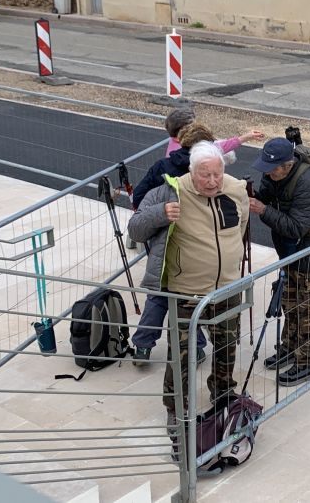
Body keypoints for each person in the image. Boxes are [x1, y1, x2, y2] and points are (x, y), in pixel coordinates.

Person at [127, 141, 249, 427]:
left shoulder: (235, 188)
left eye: (217, 174)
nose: (212, 181)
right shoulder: (170, 190)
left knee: (226, 347)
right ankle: (175, 407)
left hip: (227, 289)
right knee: (181, 357)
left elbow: (240, 226)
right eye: (205, 175)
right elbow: (135, 227)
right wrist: (160, 214)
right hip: (186, 293)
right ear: (191, 171)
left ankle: (223, 394)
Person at [122, 122, 221, 362]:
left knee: (158, 300)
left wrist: (155, 217)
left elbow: (139, 198)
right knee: (189, 302)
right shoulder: (212, 175)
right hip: (193, 255)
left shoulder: (162, 166)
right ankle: (195, 347)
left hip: (163, 251)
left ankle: (143, 346)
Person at [248, 137, 310, 387]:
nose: (268, 173)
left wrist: (262, 210)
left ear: (288, 164)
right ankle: (290, 347)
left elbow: (295, 227)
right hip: (288, 248)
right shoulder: (272, 173)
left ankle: (307, 362)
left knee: (305, 306)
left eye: (273, 169)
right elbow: (269, 197)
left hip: (309, 248)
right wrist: (252, 194)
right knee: (288, 299)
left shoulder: (307, 181)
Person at [162, 106, 263, 157]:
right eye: (194, 125)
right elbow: (218, 147)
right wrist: (245, 138)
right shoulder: (189, 150)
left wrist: (245, 137)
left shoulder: (175, 143)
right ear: (184, 129)